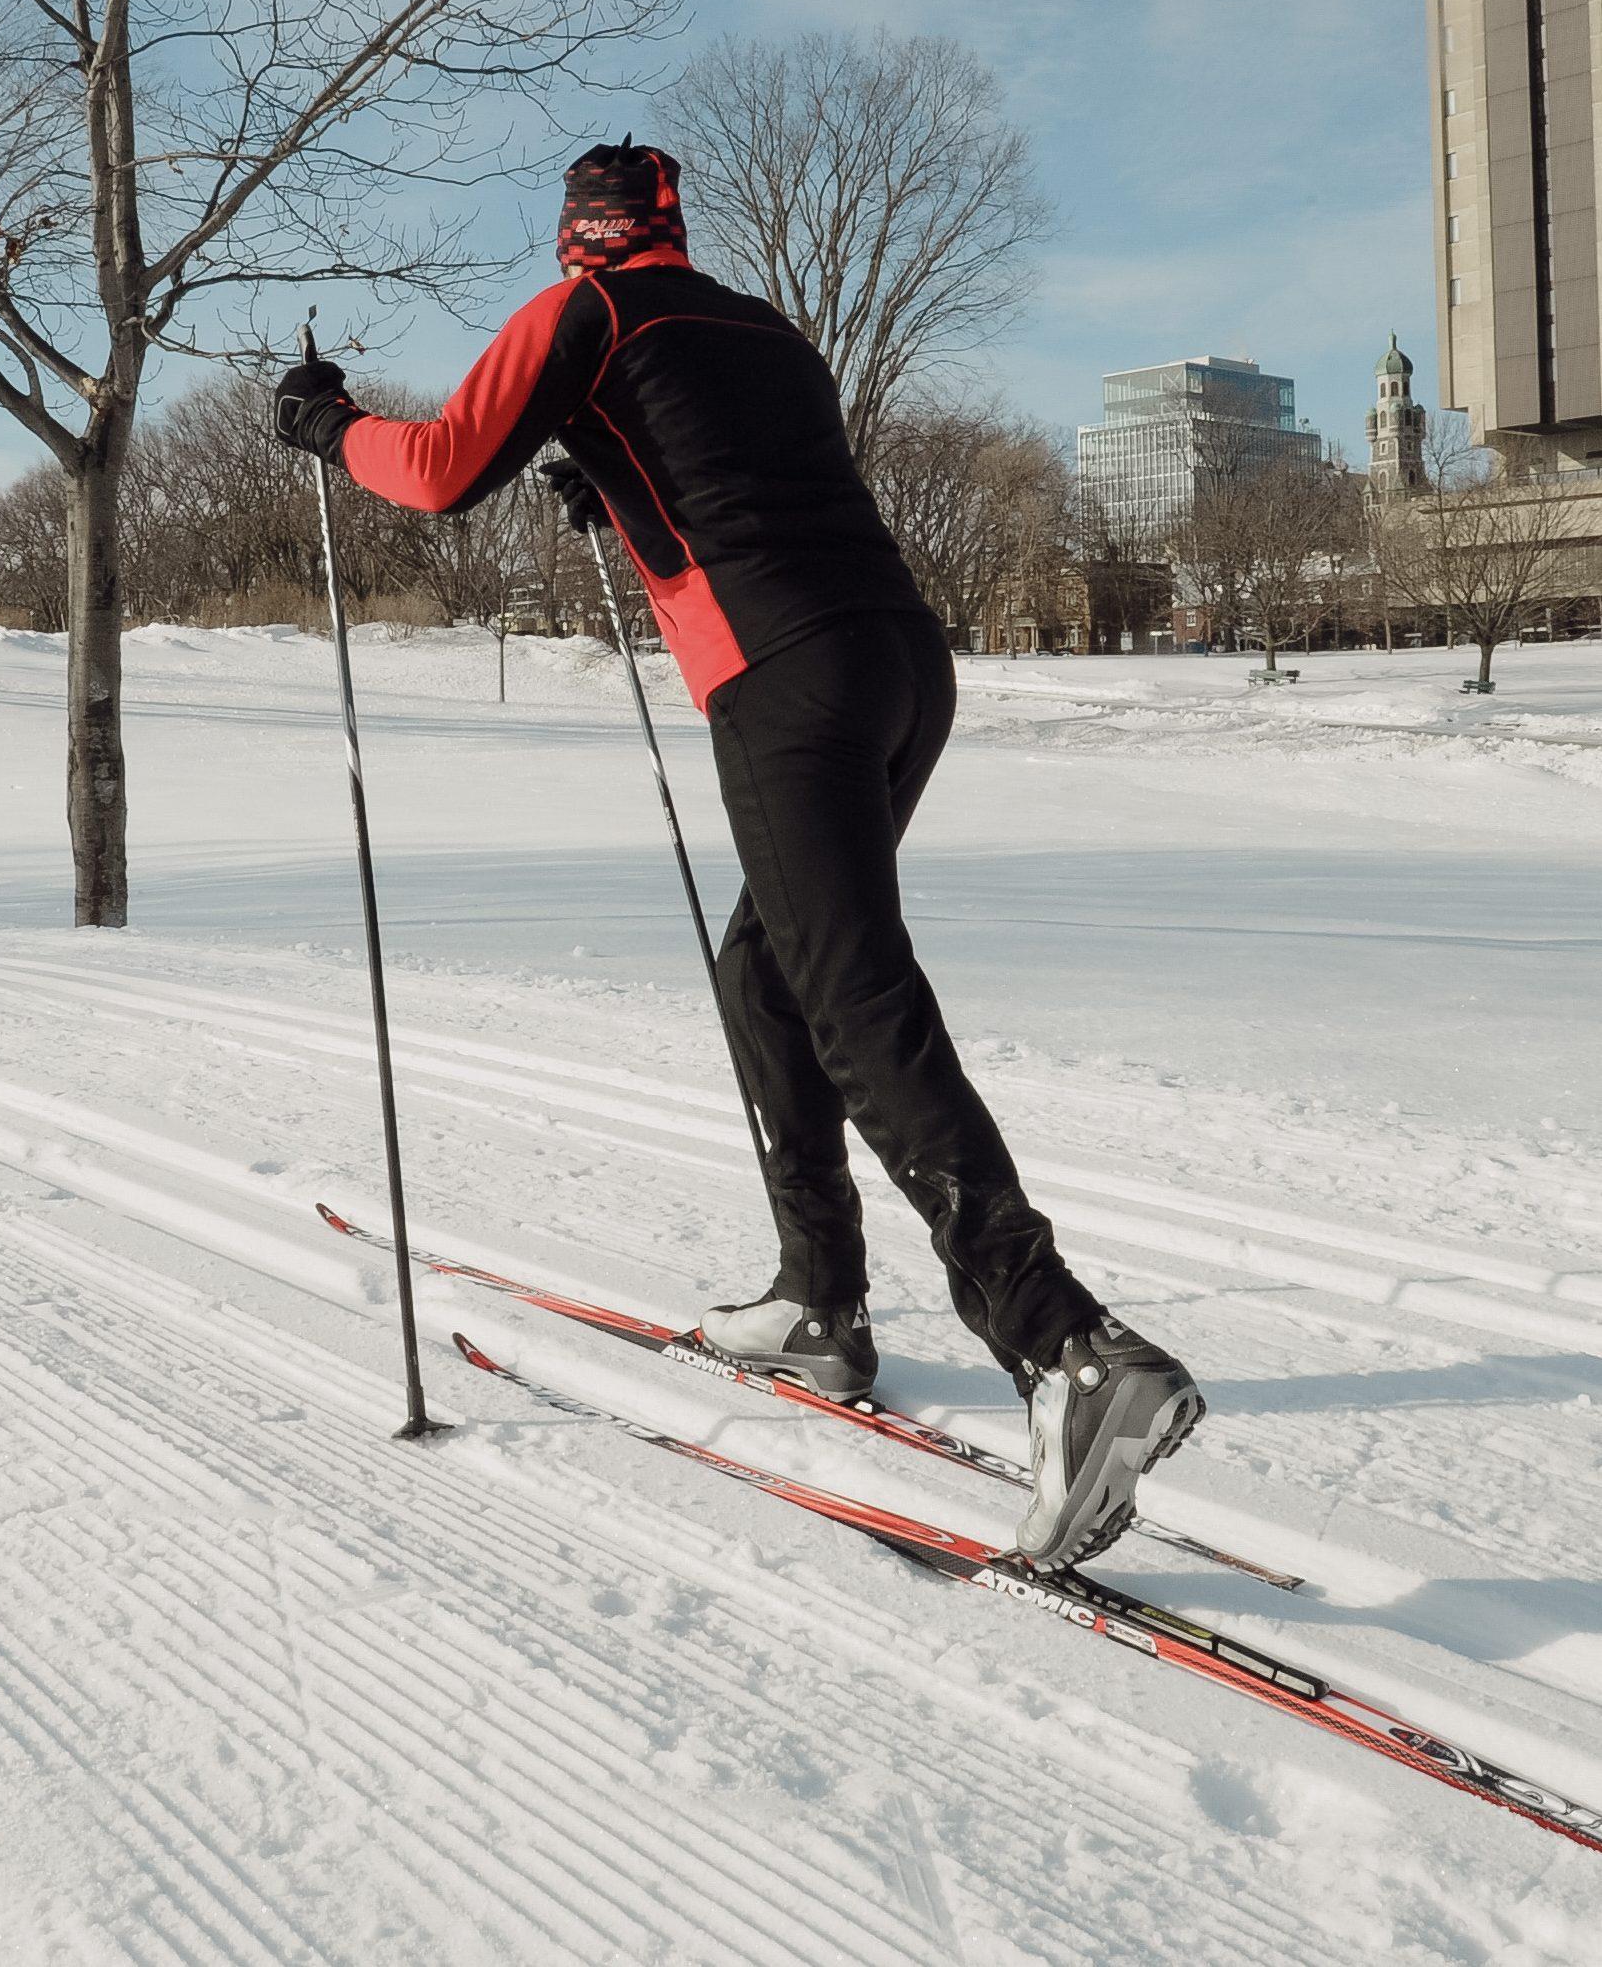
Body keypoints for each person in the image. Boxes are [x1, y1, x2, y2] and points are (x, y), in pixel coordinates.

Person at [273, 138, 1202, 1566]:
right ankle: (818, 1302)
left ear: (578, 235)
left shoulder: (583, 312)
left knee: (849, 992)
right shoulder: (759, 326)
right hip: (897, 663)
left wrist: (328, 424)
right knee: (765, 968)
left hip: (783, 681)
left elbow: (445, 470)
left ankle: (1063, 1344)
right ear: (671, 226)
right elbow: (729, 472)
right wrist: (620, 489)